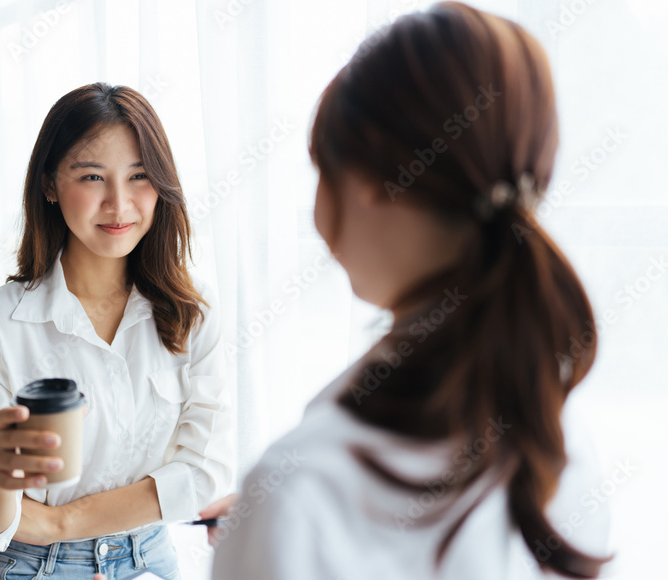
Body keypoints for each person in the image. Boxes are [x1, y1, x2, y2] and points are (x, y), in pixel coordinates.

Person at [199, 2, 612, 579]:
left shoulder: (298, 493)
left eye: (322, 169)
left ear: (369, 183)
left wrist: (275, 530)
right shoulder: (558, 443)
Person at [0, 83, 235, 579]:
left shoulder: (192, 312)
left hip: (148, 561)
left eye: (140, 176)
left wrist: (62, 522)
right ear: (49, 185)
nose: (119, 204)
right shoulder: (3, 321)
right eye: (92, 177)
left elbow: (205, 475)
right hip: (28, 566)